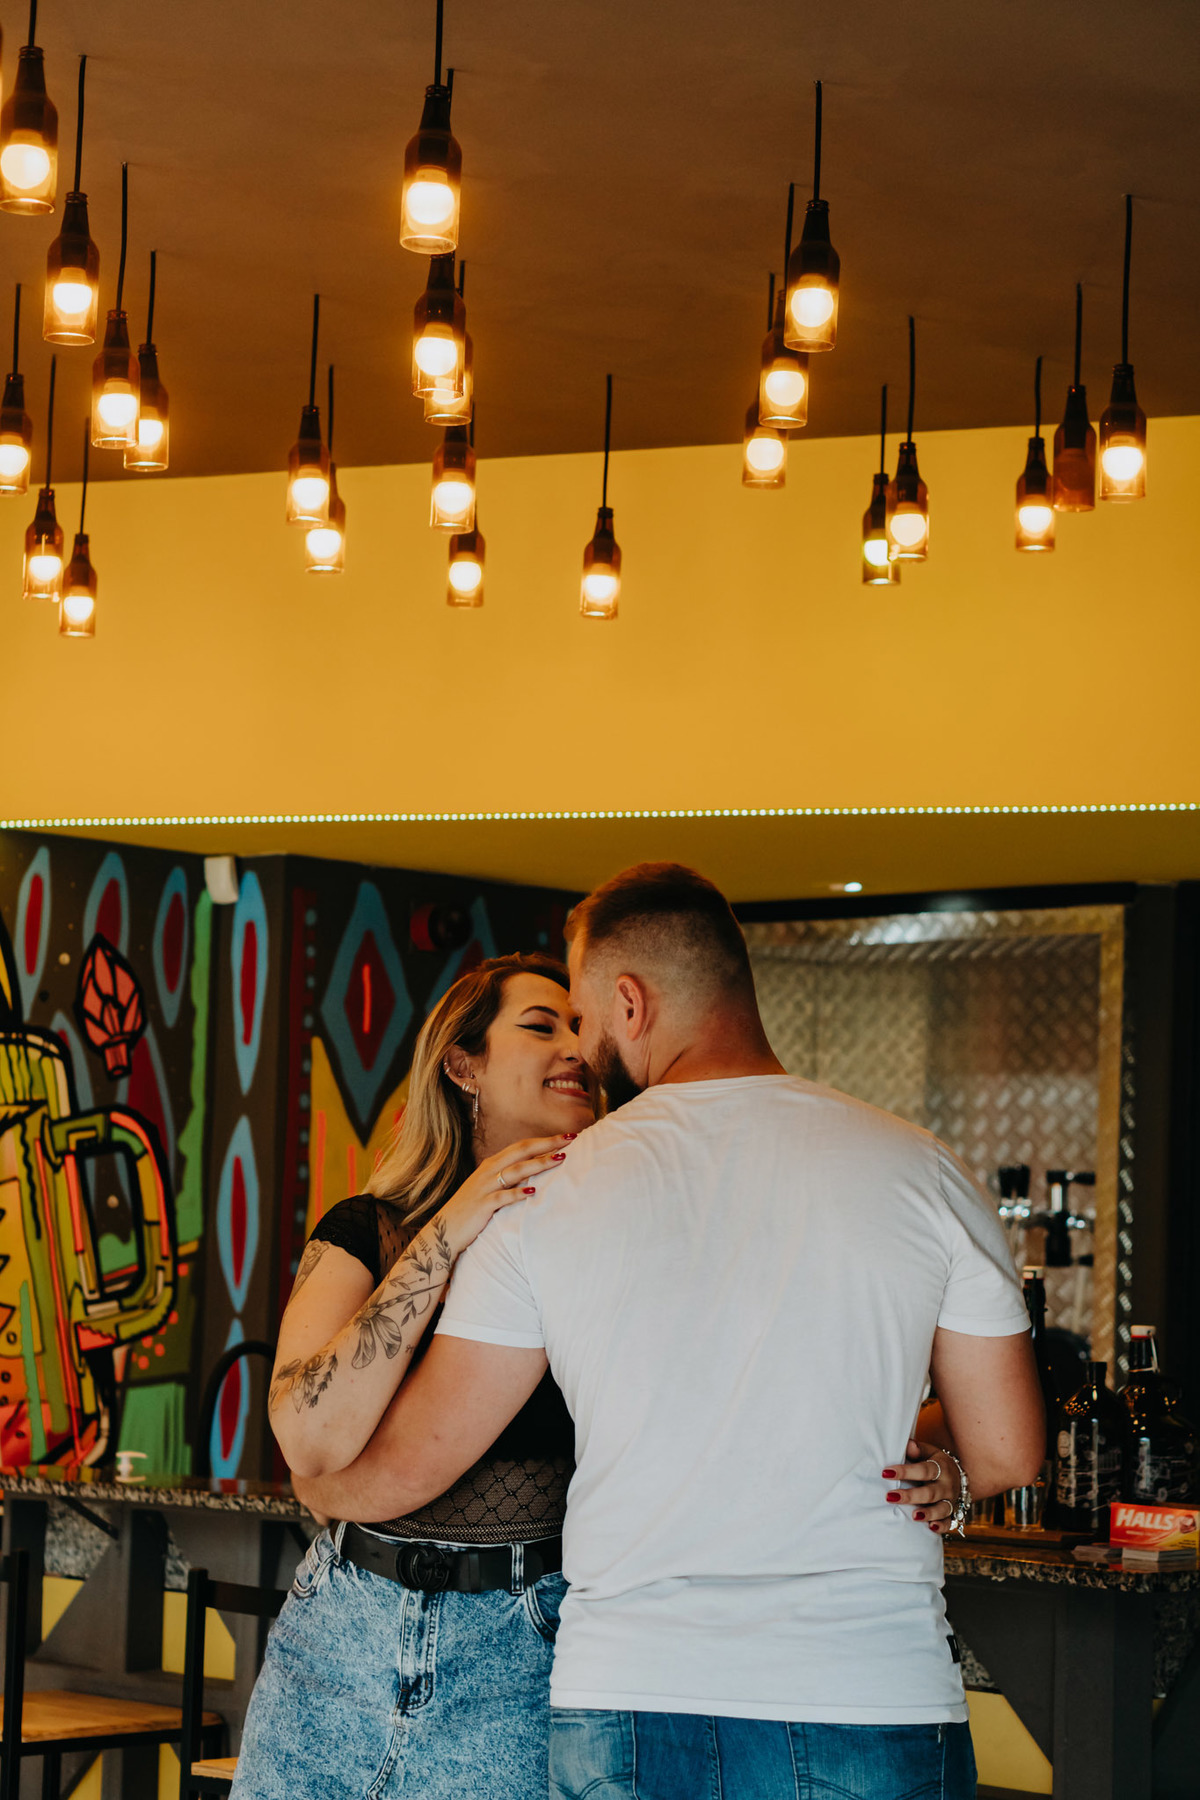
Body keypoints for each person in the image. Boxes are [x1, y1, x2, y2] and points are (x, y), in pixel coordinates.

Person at [293, 866, 1041, 1800]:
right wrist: (931, 1452)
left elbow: (415, 1462)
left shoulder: (546, 1198)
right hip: (870, 1686)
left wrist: (324, 1483)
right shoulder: (923, 1168)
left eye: (585, 1014)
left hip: (632, 1694)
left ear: (630, 1002)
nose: (583, 1043)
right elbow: (1009, 1450)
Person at [230, 953, 595, 1800]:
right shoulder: (368, 1230)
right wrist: (453, 1226)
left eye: (582, 1027)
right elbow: (307, 1434)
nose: (574, 1046)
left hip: (522, 1646)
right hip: (340, 1633)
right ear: (462, 1063)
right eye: (542, 1025)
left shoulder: (601, 1240)